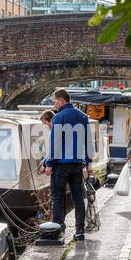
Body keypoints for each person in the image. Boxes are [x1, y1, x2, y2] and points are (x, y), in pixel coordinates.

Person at [45, 89, 94, 241]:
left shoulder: (59, 117)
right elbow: (88, 142)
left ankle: (58, 230)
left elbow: (55, 143)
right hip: (77, 164)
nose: (54, 104)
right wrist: (88, 161)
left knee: (58, 197)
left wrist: (49, 163)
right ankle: (79, 232)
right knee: (78, 198)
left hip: (61, 165)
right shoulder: (83, 117)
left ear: (61, 100)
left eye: (54, 101)